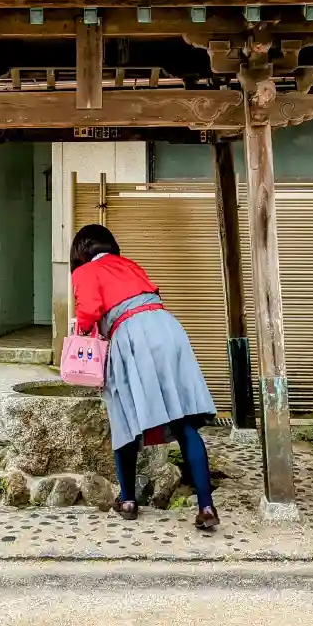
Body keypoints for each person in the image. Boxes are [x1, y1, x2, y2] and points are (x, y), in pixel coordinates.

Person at [69, 223, 219, 530]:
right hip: (168, 327)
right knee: (182, 419)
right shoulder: (130, 265)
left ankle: (127, 500)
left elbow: (88, 312)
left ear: (81, 250)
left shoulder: (84, 272)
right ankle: (206, 506)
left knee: (124, 418)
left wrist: (81, 335)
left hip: (132, 333)